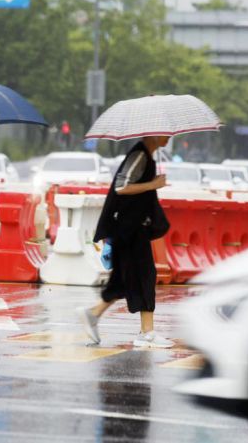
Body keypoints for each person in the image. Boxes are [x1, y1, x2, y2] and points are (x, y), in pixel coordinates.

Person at [76, 136, 174, 348]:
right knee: (145, 275)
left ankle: (93, 314)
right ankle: (146, 334)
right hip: (129, 229)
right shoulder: (139, 155)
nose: (169, 136)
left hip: (131, 228)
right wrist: (153, 184)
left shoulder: (145, 156)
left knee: (124, 279)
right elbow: (121, 187)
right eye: (165, 133)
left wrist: (151, 184)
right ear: (153, 133)